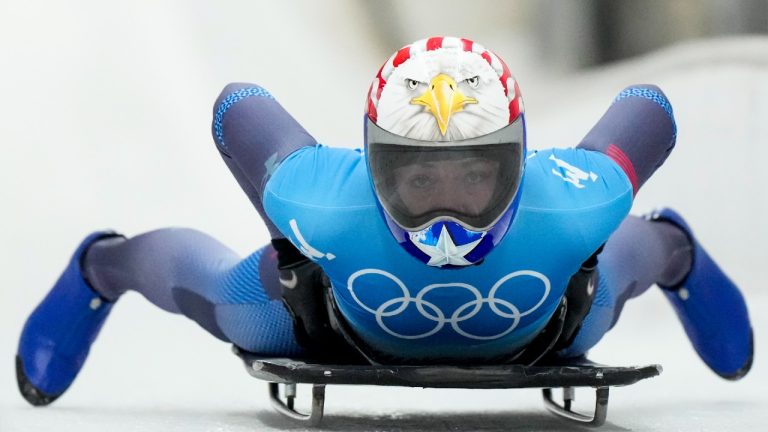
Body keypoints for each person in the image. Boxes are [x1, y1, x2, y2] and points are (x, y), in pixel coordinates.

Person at [16, 37, 753, 406]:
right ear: (374, 165)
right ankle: (101, 268)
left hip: (550, 316)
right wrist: (288, 235)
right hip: (339, 317)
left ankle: (675, 248)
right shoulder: (316, 198)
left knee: (624, 258)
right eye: (417, 178)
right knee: (235, 301)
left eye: (474, 176)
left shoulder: (577, 198)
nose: (446, 213)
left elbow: (650, 109)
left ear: (518, 161)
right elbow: (235, 103)